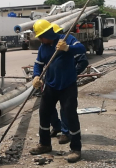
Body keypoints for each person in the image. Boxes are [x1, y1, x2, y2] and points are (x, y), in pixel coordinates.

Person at [30, 19, 86, 163]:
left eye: (41, 36)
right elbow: (38, 64)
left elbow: (81, 49)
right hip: (51, 86)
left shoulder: (66, 39)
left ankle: (75, 148)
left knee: (70, 114)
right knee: (44, 113)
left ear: (48, 33)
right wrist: (36, 76)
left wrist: (67, 48)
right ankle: (45, 144)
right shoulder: (43, 48)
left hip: (68, 86)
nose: (40, 39)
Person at [49, 24, 89, 145]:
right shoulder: (49, 45)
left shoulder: (69, 44)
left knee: (65, 108)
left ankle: (66, 132)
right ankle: (57, 126)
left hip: (66, 82)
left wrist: (72, 74)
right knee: (48, 107)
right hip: (52, 81)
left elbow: (83, 61)